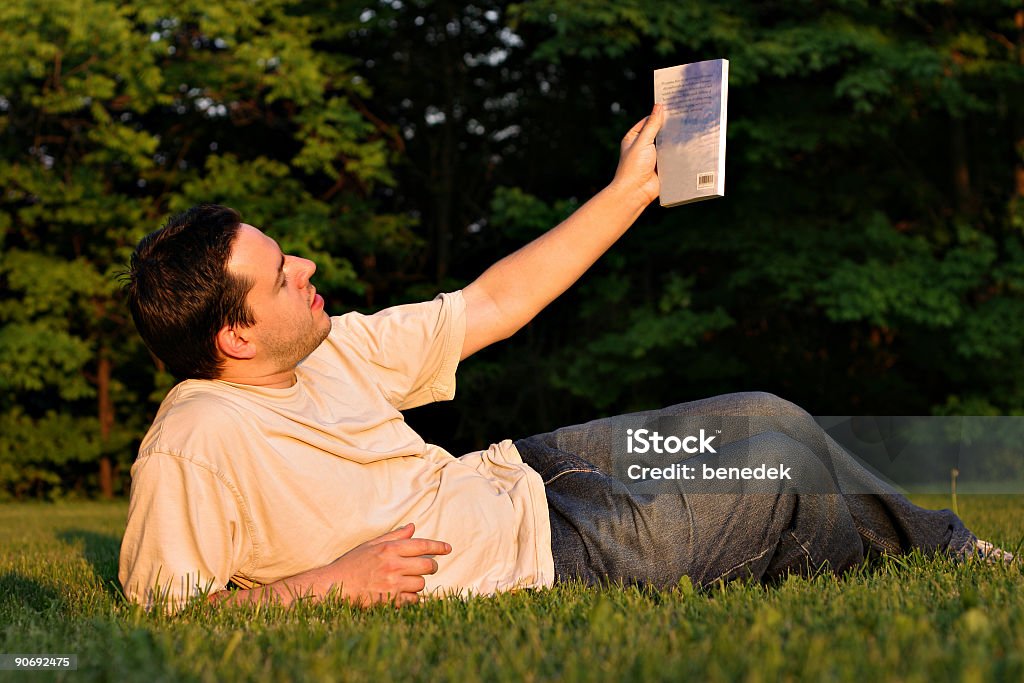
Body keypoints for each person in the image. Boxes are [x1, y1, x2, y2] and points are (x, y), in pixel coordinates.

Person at [118, 104, 1009, 611]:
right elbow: (167, 610)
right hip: (550, 556)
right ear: (233, 334)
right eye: (280, 274)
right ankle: (833, 559)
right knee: (776, 476)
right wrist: (323, 584)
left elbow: (497, 302)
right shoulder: (198, 436)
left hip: (536, 473)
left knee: (769, 421)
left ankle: (951, 552)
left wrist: (628, 192)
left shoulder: (328, 346)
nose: (306, 268)